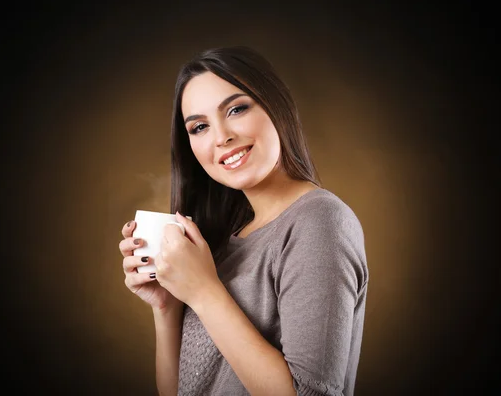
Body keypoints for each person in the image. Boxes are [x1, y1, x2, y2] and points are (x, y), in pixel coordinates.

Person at [120, 46, 369, 396]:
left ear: (275, 106)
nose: (221, 137)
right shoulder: (222, 244)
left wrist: (205, 292)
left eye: (236, 109)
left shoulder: (318, 222)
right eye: (200, 127)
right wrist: (168, 305)